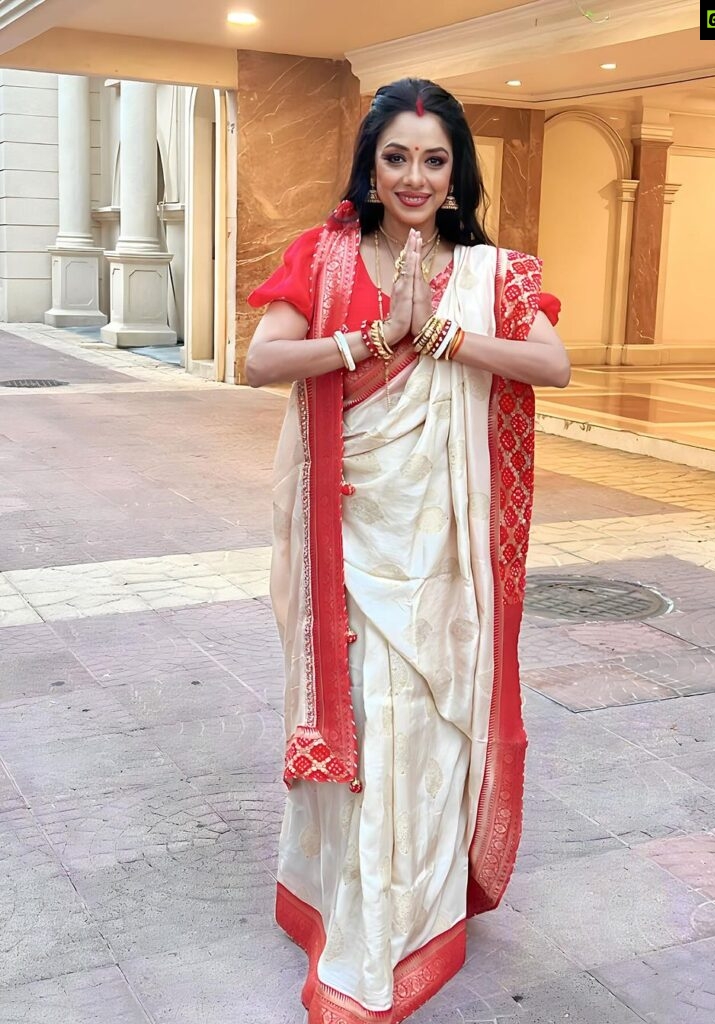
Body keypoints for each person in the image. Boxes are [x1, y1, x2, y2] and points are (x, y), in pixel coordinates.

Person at [245, 77, 570, 1024]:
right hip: (346, 540)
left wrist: (441, 336)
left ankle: (413, 915)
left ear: (456, 169)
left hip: (446, 557)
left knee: (424, 731)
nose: (415, 176)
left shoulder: (493, 273)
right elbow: (266, 360)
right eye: (396, 157)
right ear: (371, 164)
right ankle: (351, 917)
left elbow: (549, 363)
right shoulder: (327, 254)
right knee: (369, 728)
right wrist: (370, 338)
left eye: (433, 159)